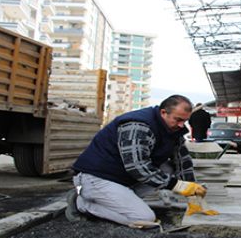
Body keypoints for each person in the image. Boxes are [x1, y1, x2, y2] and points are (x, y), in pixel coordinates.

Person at [66, 95, 206, 226]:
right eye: (178, 119)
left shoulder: (173, 129)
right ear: (163, 112)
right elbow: (136, 166)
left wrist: (192, 193)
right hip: (97, 177)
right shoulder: (138, 125)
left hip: (121, 178)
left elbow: (182, 160)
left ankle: (118, 199)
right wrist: (179, 186)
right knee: (145, 218)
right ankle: (82, 204)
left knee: (168, 169)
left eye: (185, 121)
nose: (182, 125)